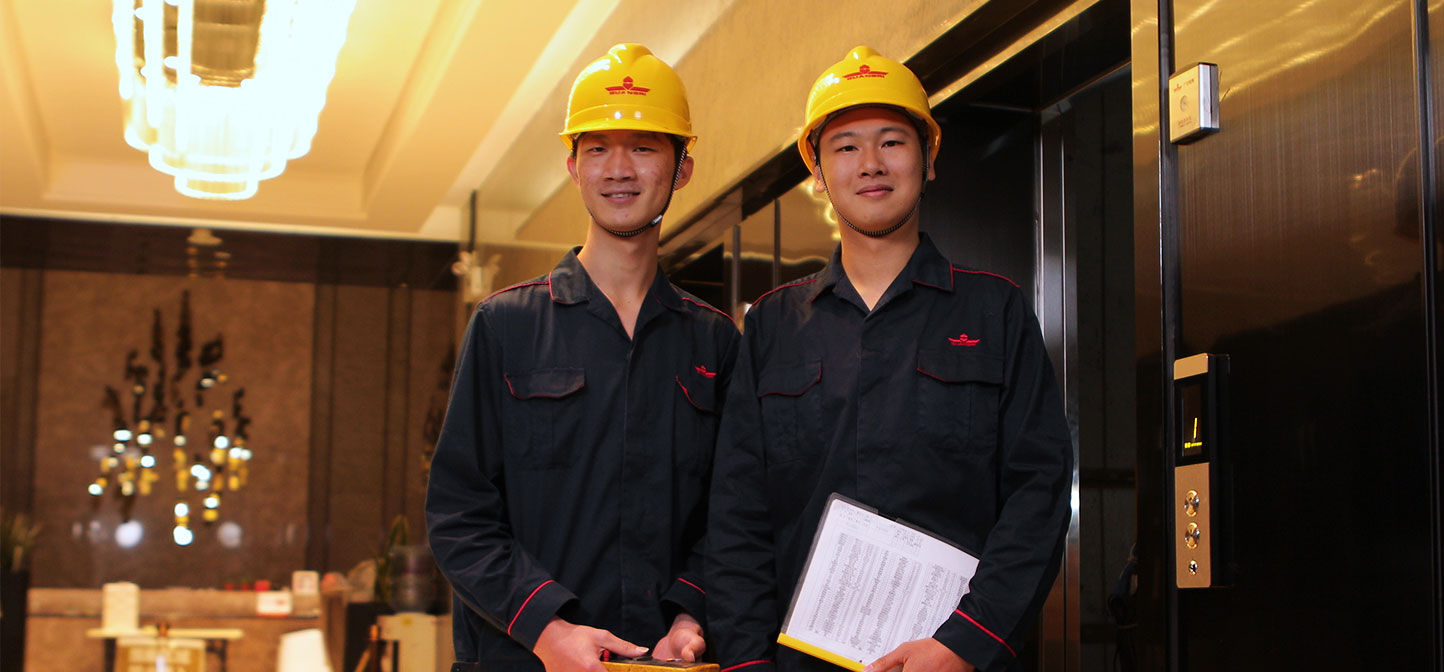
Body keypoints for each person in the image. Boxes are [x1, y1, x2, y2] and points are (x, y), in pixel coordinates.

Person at [706, 46, 1074, 672]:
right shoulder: (771, 326)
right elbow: (737, 514)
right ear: (818, 173)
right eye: (846, 146)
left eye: (892, 142)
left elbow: (1038, 492)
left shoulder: (996, 311)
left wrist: (967, 641)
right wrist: (746, 662)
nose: (871, 164)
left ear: (928, 160)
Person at [427, 43, 740, 672]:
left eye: (643, 147)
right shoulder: (505, 326)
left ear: (681, 169)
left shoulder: (714, 342)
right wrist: (548, 631)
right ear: (573, 167)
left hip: (659, 664)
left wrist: (689, 613)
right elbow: (459, 516)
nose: (618, 169)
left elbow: (732, 513)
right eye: (598, 149)